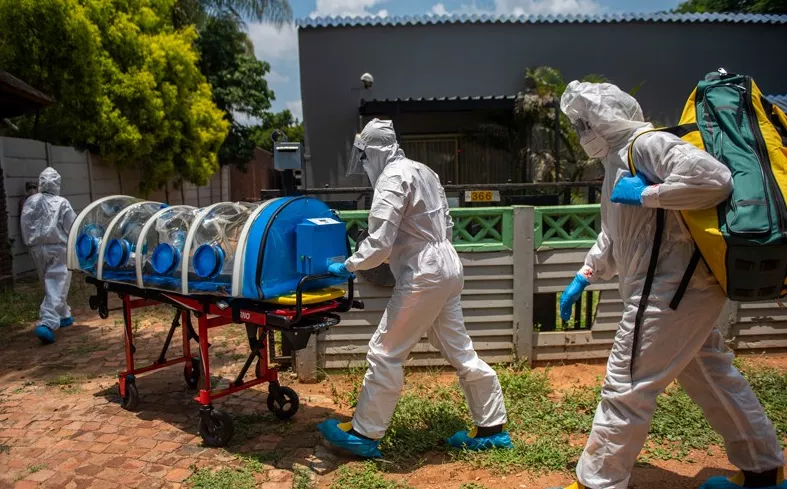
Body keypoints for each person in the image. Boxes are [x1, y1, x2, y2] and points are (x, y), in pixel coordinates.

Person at [550, 81, 786, 489]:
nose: (581, 132)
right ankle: (763, 470)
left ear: (605, 117)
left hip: (670, 289)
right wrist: (584, 275)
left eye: (584, 122)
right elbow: (616, 234)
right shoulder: (616, 160)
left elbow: (715, 180)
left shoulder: (646, 144)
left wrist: (649, 194)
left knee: (626, 383)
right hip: (683, 291)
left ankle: (598, 482)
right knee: (712, 376)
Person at [319, 118, 511, 458]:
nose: (363, 163)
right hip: (448, 265)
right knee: (460, 350)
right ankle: (491, 428)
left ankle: (365, 433)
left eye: (363, 156)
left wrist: (347, 265)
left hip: (424, 273)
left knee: (385, 351)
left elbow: (379, 243)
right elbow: (446, 224)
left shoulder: (392, 178)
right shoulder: (425, 171)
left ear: (374, 152)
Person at [20, 167, 77, 345]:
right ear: (57, 183)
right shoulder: (61, 202)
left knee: (49, 283)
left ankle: (63, 314)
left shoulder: (30, 201)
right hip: (58, 248)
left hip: (36, 248)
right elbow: (72, 226)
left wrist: (31, 242)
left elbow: (25, 223)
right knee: (58, 283)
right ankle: (47, 323)